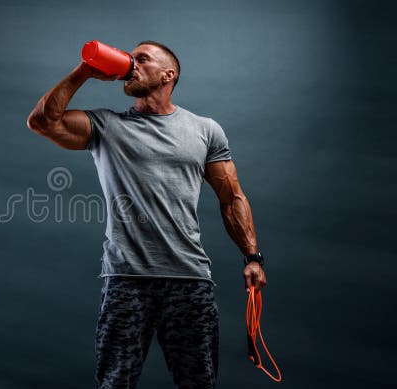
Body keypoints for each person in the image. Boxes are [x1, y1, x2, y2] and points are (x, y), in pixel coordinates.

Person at [26, 40, 268, 389]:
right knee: (115, 383)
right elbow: (41, 122)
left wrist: (253, 257)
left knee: (198, 382)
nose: (130, 63)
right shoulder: (106, 126)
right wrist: (85, 72)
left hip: (189, 280)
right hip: (126, 280)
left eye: (141, 59)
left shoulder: (205, 130)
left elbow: (232, 198)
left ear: (168, 75)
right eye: (130, 57)